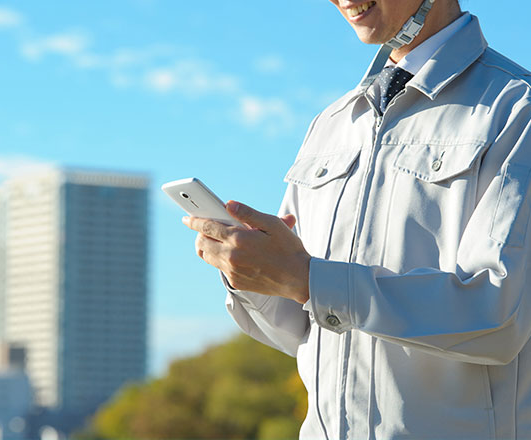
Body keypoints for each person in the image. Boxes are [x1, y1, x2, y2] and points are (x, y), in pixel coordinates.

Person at [184, 0, 531, 438]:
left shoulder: (518, 109)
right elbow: (305, 333)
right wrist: (257, 276)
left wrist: (308, 279)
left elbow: (496, 318)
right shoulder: (330, 125)